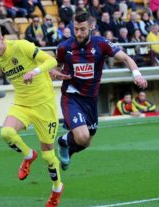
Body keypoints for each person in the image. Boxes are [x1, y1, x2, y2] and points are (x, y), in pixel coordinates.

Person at [0, 23, 67, 207]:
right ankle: (28, 155)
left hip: (44, 106)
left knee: (48, 156)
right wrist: (40, 71)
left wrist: (35, 72)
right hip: (22, 104)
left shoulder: (22, 46)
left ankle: (57, 188)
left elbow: (51, 60)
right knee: (6, 133)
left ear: (2, 38)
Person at [50, 11, 147, 170]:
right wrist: (54, 72)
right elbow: (56, 66)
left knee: (86, 142)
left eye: (82, 29)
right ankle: (65, 142)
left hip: (91, 99)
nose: (79, 33)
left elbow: (126, 58)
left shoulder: (101, 43)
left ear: (91, 27)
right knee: (82, 136)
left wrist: (137, 74)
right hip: (72, 96)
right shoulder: (64, 47)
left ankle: (65, 143)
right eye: (76, 29)